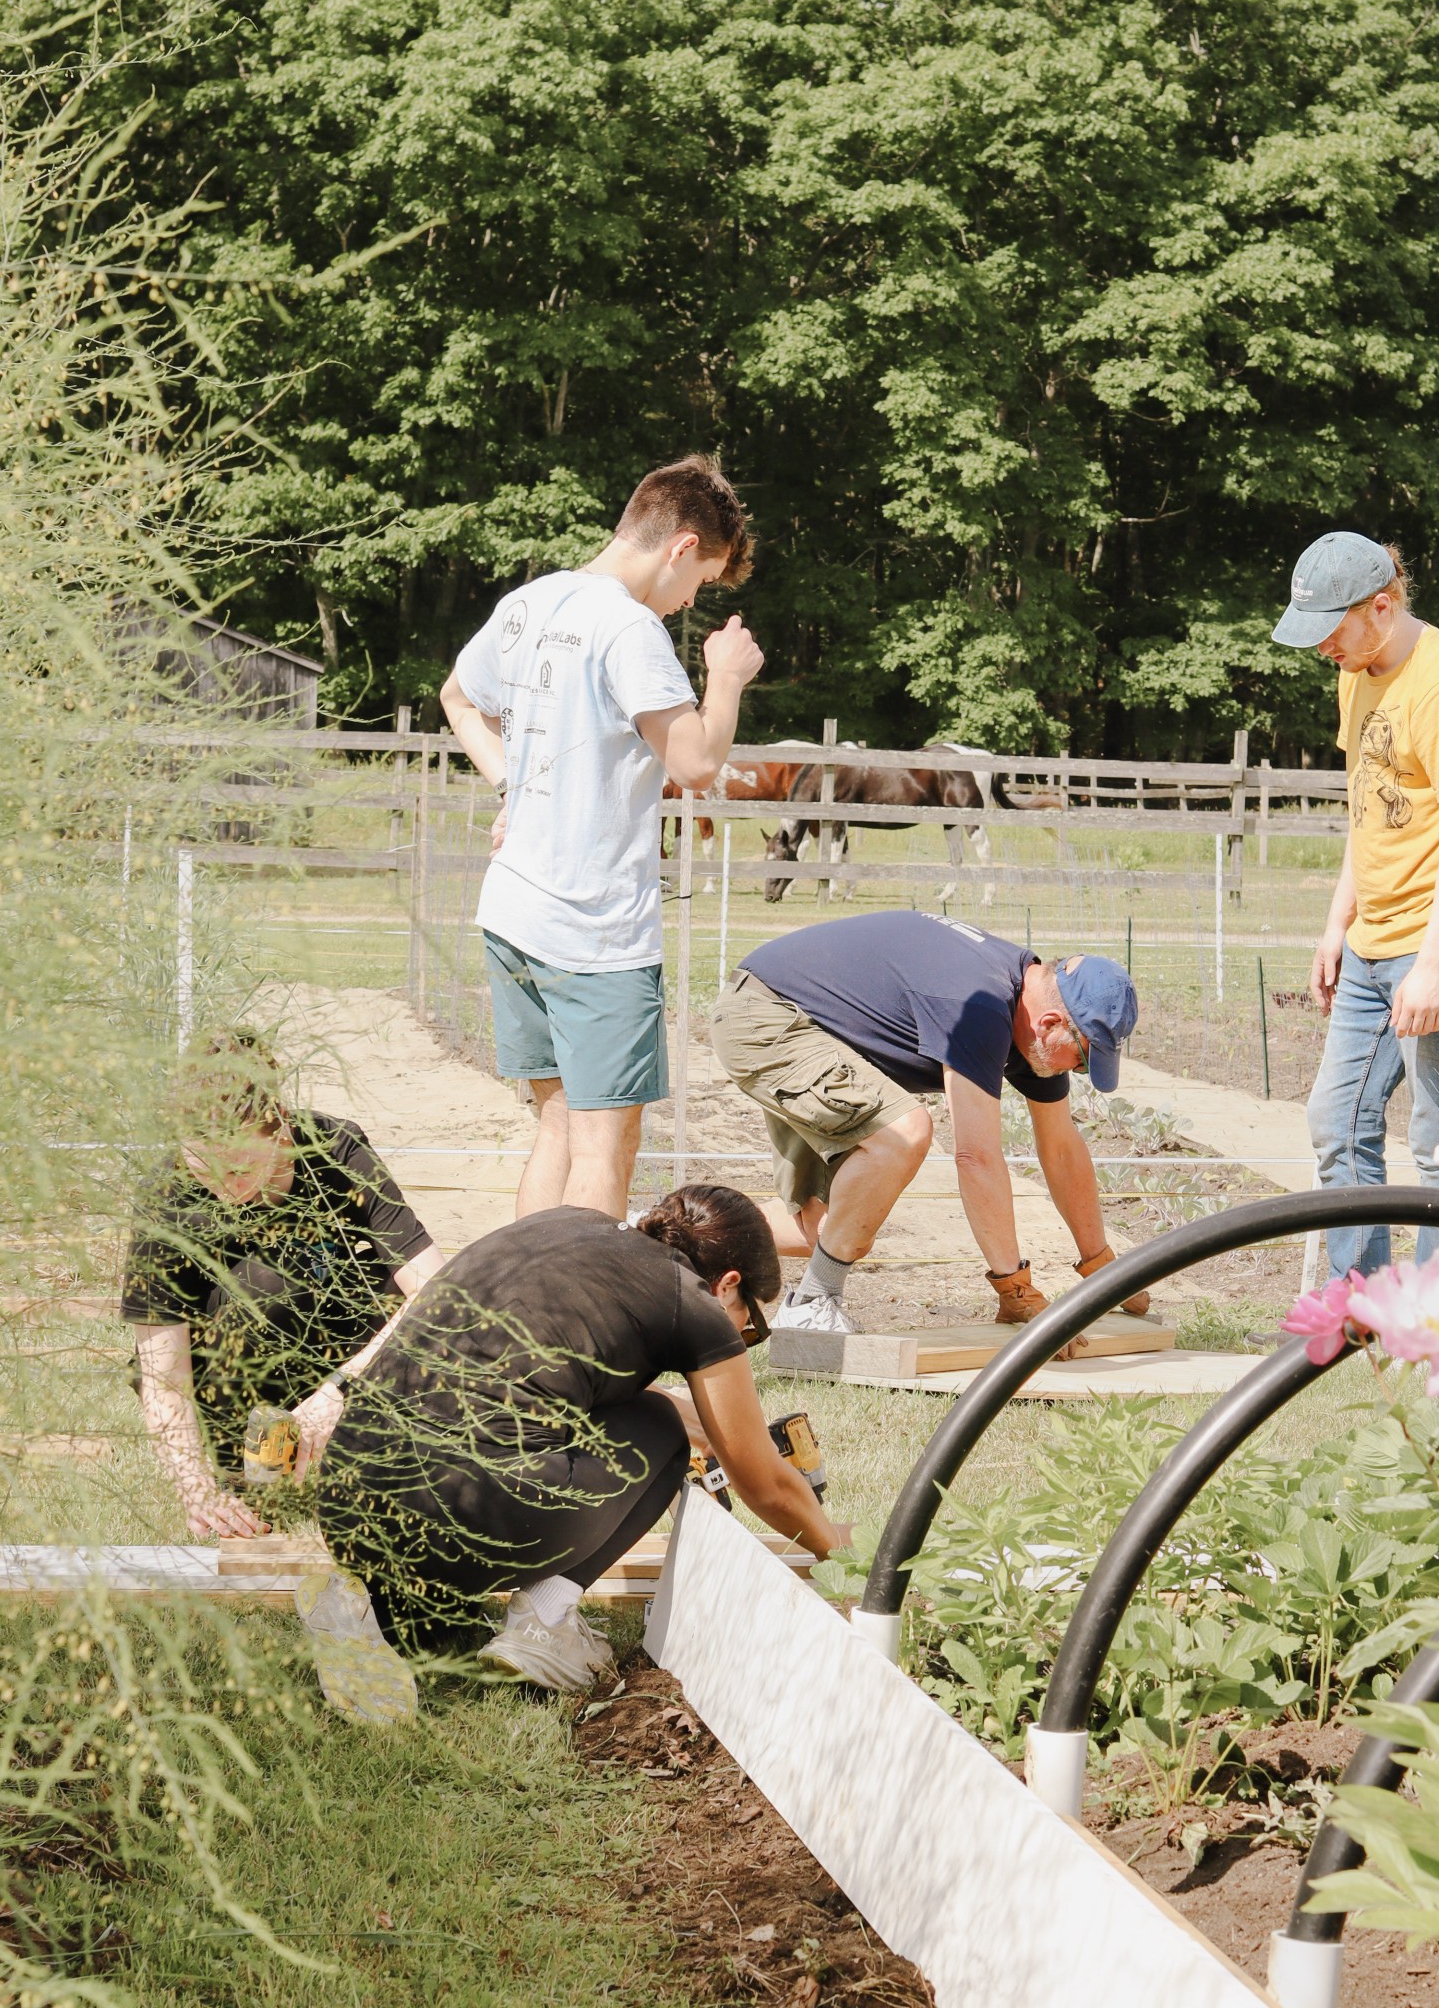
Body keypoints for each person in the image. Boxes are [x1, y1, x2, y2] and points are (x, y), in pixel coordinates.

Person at [291, 1185, 846, 1719]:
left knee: (436, 1626)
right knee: (663, 1429)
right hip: (464, 1514)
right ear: (728, 1284)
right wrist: (843, 1559)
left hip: (349, 1501)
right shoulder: (691, 1300)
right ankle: (544, 1619)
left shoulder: (569, 1225)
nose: (744, 1336)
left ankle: (363, 1607)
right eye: (751, 1324)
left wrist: (713, 1428)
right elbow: (763, 1483)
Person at [440, 456, 762, 1223]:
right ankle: (585, 1305)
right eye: (701, 581)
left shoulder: (528, 602)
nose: (691, 602)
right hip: (593, 930)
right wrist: (725, 679)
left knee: (557, 1126)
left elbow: (458, 698)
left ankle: (529, 1293)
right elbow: (695, 762)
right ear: (682, 546)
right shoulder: (629, 627)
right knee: (603, 1149)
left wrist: (511, 788)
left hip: (513, 914)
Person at [1271, 532, 1439, 1280]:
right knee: (1336, 1120)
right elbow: (1370, 807)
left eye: (1333, 629)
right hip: (1373, 938)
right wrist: (1337, 923)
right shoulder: (1356, 671)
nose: (1323, 647)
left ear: (1381, 607)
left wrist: (1433, 965)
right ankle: (1362, 1311)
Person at [709, 907, 1146, 1335]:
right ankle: (812, 1304)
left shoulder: (1030, 1019)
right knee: (904, 1134)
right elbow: (976, 1157)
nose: (1078, 1071)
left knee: (831, 1228)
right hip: (768, 1014)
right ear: (1051, 1023)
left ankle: (684, 1234)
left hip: (812, 1021)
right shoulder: (978, 1005)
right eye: (1083, 1060)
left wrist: (1103, 1268)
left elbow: (1062, 1148)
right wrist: (1014, 1287)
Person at [121, 1032, 444, 1540]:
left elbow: (435, 1289)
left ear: (282, 1127)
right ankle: (247, 1471)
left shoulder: (336, 1148)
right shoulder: (166, 1195)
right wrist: (195, 1490)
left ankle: (365, 1448)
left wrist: (340, 1389)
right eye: (206, 1170)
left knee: (414, 1311)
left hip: (336, 1355)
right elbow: (163, 1374)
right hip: (231, 1369)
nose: (225, 1189)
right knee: (263, 1285)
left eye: (240, 1167)